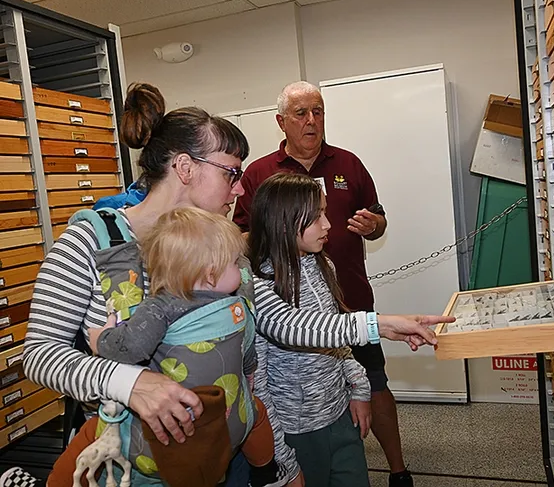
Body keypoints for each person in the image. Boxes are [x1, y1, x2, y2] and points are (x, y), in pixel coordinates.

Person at [13, 82, 453, 487]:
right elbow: (38, 355)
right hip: (137, 463)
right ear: (185, 167)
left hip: (229, 455)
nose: (240, 189)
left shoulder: (224, 248)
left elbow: (287, 324)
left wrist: (381, 326)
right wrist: (130, 383)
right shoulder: (91, 240)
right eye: (230, 172)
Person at [233, 81, 412, 486]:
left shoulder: (348, 163)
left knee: (373, 384)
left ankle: (398, 471)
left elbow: (378, 215)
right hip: (298, 409)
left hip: (348, 299)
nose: (312, 120)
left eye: (318, 111)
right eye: (301, 113)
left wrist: (374, 225)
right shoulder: (261, 174)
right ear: (281, 122)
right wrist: (274, 240)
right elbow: (288, 328)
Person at [46, 207, 290, 487]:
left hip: (167, 441)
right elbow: (247, 353)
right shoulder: (237, 308)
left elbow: (128, 348)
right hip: (230, 425)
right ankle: (266, 471)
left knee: (90, 434)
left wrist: (100, 339)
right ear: (211, 273)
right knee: (256, 412)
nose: (241, 267)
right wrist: (247, 375)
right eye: (236, 262)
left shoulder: (160, 307)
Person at [250, 172, 372, 487]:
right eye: (316, 216)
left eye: (325, 212)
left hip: (340, 414)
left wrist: (358, 388)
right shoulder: (260, 287)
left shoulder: (323, 266)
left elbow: (335, 337)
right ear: (283, 223)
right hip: (297, 434)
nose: (328, 224)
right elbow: (259, 388)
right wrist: (284, 463)